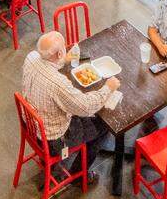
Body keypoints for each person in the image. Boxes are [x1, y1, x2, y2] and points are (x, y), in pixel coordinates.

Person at [22, 31, 118, 185]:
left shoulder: (31, 58)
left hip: (31, 127)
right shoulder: (58, 84)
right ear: (59, 53)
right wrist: (108, 88)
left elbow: (47, 62)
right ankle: (79, 176)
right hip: (54, 142)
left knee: (77, 112)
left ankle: (56, 163)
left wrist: (63, 60)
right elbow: (86, 107)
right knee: (103, 126)